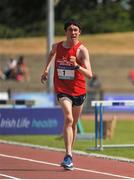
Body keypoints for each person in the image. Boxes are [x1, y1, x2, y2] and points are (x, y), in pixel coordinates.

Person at [41, 19, 93, 170]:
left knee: (74, 123)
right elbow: (51, 54)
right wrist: (46, 69)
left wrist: (76, 65)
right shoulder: (56, 46)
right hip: (62, 89)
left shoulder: (82, 50)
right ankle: (68, 155)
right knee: (68, 117)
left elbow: (89, 74)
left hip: (79, 90)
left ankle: (71, 154)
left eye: (76, 30)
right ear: (66, 32)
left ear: (79, 32)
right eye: (70, 30)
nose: (73, 32)